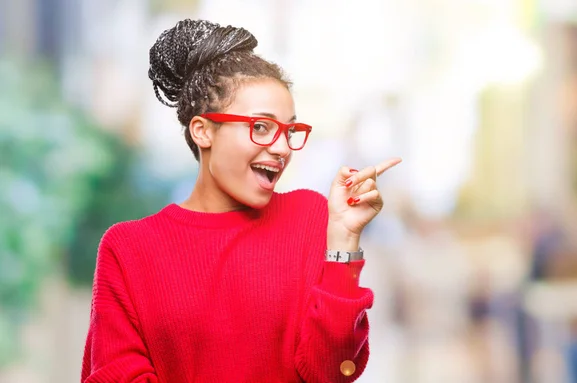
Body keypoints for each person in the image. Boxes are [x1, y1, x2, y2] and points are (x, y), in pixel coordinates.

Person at [80, 19, 401, 383]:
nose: (281, 148)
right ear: (203, 131)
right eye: (261, 127)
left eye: (290, 130)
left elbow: (332, 370)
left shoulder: (310, 219)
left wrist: (343, 239)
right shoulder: (128, 249)